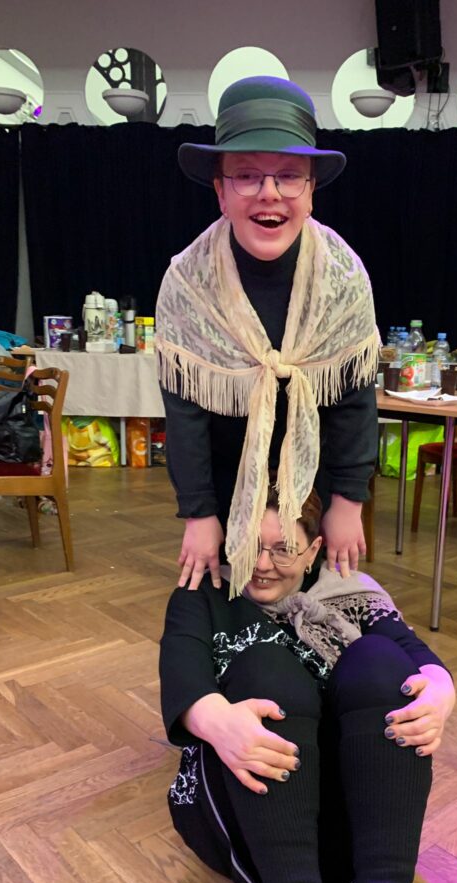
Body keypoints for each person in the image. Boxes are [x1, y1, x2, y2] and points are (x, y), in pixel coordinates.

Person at [160, 486, 457, 883]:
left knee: (380, 658)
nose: (262, 565)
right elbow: (181, 673)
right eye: (249, 546)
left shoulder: (352, 592)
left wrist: (440, 693)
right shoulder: (205, 593)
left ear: (314, 550)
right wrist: (217, 721)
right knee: (266, 668)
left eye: (283, 549)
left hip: (360, 840)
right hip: (255, 829)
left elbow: (420, 659)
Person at [155, 76, 379, 598]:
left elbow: (354, 401)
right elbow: (185, 414)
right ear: (220, 191)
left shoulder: (344, 277)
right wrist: (199, 514)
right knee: (226, 608)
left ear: (311, 190)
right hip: (224, 481)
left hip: (316, 489)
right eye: (247, 176)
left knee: (312, 606)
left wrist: (348, 502)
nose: (269, 193)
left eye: (289, 176)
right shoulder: (187, 283)